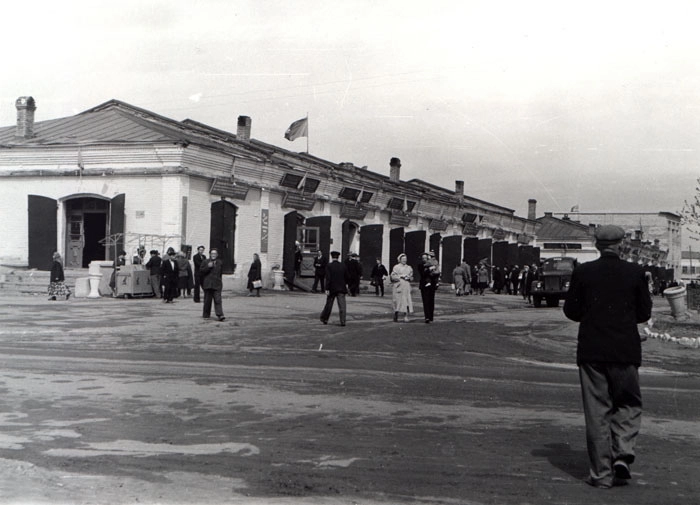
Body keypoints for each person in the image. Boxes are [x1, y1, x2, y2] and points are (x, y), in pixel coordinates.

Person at [563, 225, 652, 489]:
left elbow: (571, 311)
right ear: (622, 244)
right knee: (628, 403)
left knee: (596, 411)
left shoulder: (583, 272)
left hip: (591, 351)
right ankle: (622, 453)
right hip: (625, 350)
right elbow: (644, 313)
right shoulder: (635, 273)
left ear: (596, 244)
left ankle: (601, 475)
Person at [320, 251, 349, 326]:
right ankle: (343, 321)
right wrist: (346, 284)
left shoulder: (329, 266)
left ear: (332, 257)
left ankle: (325, 319)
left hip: (332, 288)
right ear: (338, 257)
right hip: (341, 288)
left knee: (329, 304)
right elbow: (347, 277)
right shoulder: (343, 265)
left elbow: (328, 278)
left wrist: (327, 288)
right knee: (342, 305)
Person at [200, 248, 225, 321]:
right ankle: (206, 315)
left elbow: (220, 273)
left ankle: (220, 315)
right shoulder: (205, 262)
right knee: (207, 301)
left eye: (215, 254)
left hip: (217, 284)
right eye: (212, 253)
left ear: (217, 255)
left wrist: (220, 282)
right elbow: (201, 272)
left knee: (218, 300)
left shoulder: (220, 262)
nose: (213, 255)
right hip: (208, 284)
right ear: (210, 254)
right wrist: (208, 267)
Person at [390, 253, 414, 322]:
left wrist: (409, 277)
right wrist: (400, 277)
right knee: (397, 301)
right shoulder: (396, 267)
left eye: (405, 259)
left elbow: (411, 276)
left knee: (406, 301)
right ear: (399, 260)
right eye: (403, 259)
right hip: (399, 285)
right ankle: (396, 313)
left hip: (406, 286)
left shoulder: (409, 267)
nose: (404, 260)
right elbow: (393, 276)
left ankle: (405, 316)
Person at [419, 252, 439, 323]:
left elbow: (436, 272)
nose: (425, 259)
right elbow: (423, 273)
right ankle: (427, 317)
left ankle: (431, 317)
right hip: (424, 285)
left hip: (432, 285)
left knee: (431, 301)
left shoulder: (431, 263)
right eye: (423, 258)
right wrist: (430, 269)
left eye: (426, 258)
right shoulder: (421, 265)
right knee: (426, 301)